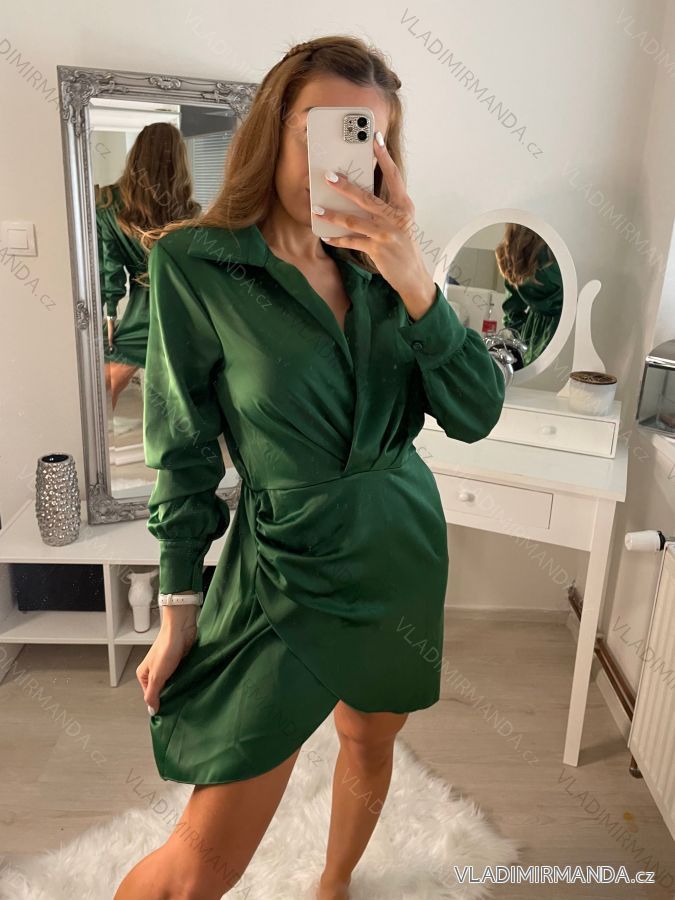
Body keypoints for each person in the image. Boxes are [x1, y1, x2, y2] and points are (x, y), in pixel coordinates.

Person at [114, 35, 506, 900]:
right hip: (283, 564)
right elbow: (180, 448)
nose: (342, 158)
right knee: (200, 862)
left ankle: (333, 882)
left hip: (396, 546)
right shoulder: (195, 263)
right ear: (272, 127)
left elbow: (475, 414)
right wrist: (177, 606)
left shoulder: (390, 271)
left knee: (370, 739)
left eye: (367, 137)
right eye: (320, 130)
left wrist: (411, 273)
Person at [96, 123, 201, 408]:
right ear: (178, 160)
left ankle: (93, 434)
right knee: (175, 393)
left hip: (143, 308)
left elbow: (110, 268)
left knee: (108, 383)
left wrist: (110, 314)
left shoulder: (107, 203)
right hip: (181, 308)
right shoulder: (188, 210)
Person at [494, 224, 563, 367]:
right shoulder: (557, 252)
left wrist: (523, 336)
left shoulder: (512, 254)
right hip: (564, 328)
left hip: (533, 335)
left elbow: (512, 309)